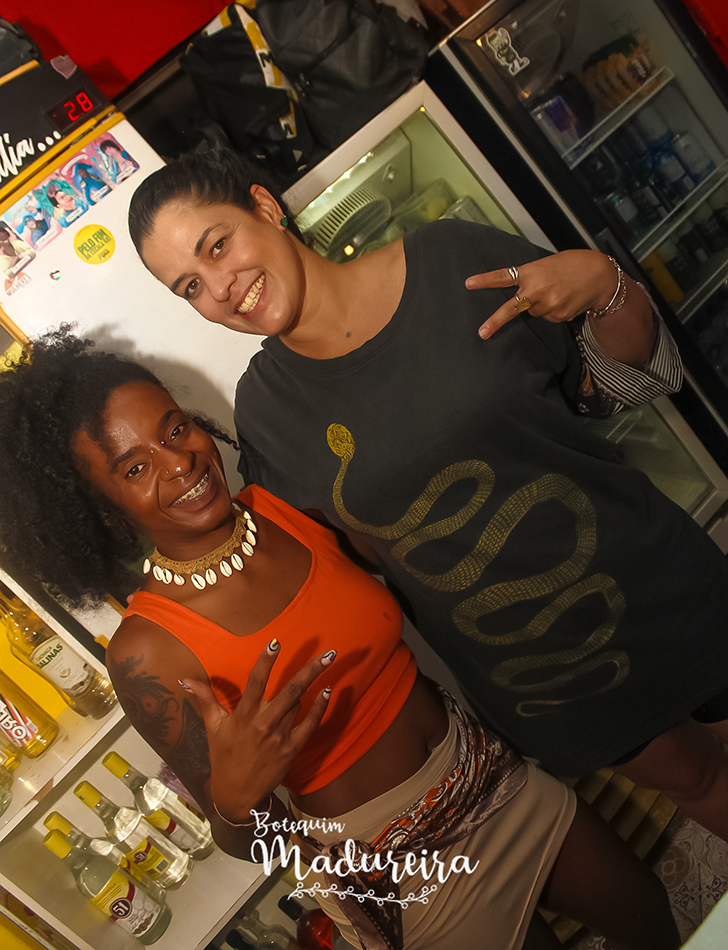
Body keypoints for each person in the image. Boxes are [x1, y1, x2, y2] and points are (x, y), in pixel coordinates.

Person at [0, 329, 678, 950]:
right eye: (134, 468)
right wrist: (235, 800)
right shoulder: (148, 650)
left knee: (648, 911)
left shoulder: (284, 506)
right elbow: (248, 841)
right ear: (101, 508)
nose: (178, 462)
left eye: (174, 429)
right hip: (399, 872)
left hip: (483, 769)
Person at [128, 148, 728, 841]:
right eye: (190, 287)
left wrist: (605, 285)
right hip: (542, 674)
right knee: (698, 781)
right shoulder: (266, 410)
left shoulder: (451, 261)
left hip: (657, 582)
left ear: (264, 206)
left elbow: (614, 387)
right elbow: (341, 568)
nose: (220, 288)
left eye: (217, 246)